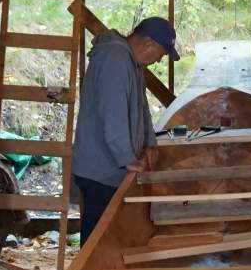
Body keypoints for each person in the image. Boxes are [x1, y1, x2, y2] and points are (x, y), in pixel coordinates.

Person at [72, 16, 180, 244]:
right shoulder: (115, 59)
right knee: (98, 240)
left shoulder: (132, 63)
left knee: (111, 235)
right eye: (160, 54)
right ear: (148, 45)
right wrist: (125, 157)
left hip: (111, 166)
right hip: (100, 169)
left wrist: (149, 142)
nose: (159, 60)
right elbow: (113, 112)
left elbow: (141, 107)